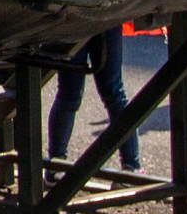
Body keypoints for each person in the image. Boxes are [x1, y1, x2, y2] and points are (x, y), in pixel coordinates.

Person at [48, 26, 141, 171]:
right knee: (115, 95)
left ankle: (55, 166)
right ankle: (131, 166)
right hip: (106, 19)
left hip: (73, 20)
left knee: (69, 96)